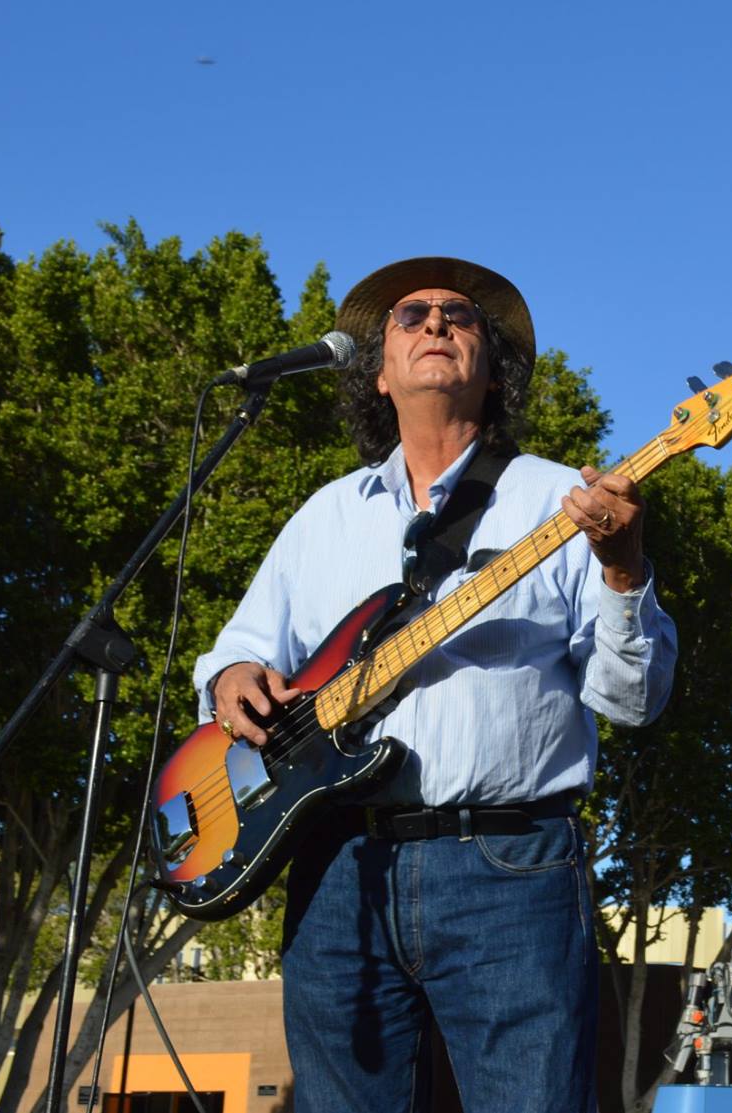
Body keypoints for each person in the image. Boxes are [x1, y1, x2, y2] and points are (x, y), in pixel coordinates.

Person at [191, 255, 677, 1112]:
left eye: (459, 315)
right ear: (379, 373)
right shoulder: (324, 516)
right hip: (336, 868)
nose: (436, 323)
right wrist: (230, 678)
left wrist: (623, 570)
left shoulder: (561, 501)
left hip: (510, 869)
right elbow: (238, 654)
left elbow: (633, 700)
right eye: (410, 315)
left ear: (495, 372)